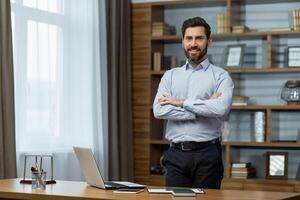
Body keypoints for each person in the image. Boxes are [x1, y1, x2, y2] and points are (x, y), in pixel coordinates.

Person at [153, 17, 234, 189]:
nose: (193, 43)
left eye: (199, 38)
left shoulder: (221, 76)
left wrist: (180, 102)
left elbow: (220, 109)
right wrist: (200, 108)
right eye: (189, 38)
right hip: (175, 155)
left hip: (208, 154)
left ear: (209, 41)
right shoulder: (170, 76)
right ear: (183, 41)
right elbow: (159, 110)